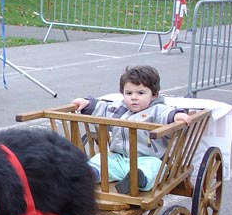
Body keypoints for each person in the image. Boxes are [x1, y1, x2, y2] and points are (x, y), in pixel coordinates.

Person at [71, 65, 191, 194]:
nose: (134, 97)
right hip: (119, 158)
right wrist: (87, 104)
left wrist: (177, 116)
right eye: (129, 93)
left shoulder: (157, 110)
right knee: (100, 159)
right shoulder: (119, 109)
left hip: (147, 159)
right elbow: (103, 108)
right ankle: (88, 175)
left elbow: (168, 114)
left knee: (155, 168)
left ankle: (137, 180)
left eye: (140, 93)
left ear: (154, 95)